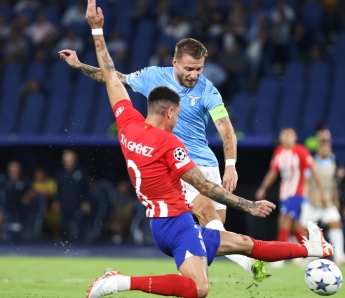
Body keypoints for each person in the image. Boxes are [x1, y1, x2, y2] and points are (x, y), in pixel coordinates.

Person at [80, 4, 333, 297]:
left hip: (164, 222)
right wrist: (248, 205)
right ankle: (118, 282)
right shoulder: (170, 145)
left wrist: (96, 30)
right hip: (177, 224)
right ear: (171, 112)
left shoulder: (127, 125)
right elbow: (205, 187)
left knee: (243, 243)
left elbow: (111, 77)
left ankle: (311, 248)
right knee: (200, 286)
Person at [59, 27, 262, 281]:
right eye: (189, 69)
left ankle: (195, 284)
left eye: (199, 69)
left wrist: (230, 165)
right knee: (208, 215)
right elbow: (114, 78)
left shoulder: (208, 90)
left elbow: (226, 130)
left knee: (211, 238)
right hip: (179, 163)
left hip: (209, 164)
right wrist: (79, 65)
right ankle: (248, 262)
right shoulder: (153, 76)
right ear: (175, 62)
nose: (194, 75)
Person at [255, 128, 327, 267]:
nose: (286, 137)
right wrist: (263, 188)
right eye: (284, 135)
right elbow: (273, 172)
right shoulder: (279, 152)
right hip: (285, 194)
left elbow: (314, 171)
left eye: (289, 135)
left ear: (295, 137)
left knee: (283, 221)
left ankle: (279, 257)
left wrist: (321, 192)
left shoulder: (301, 151)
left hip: (297, 193)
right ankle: (312, 251)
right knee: (295, 226)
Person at [301, 142, 345, 264]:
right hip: (311, 203)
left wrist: (335, 199)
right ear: (319, 149)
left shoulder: (332, 163)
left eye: (328, 148)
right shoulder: (311, 162)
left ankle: (339, 256)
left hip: (327, 202)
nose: (326, 150)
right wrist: (313, 197)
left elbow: (333, 183)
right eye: (324, 147)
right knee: (304, 229)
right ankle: (304, 256)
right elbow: (306, 182)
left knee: (335, 223)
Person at [0, 160, 31, 240]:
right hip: (4, 206)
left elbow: (32, 191)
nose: (14, 171)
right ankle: (1, 237)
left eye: (16, 169)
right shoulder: (3, 179)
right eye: (12, 169)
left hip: (19, 208)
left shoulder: (24, 181)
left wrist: (27, 196)